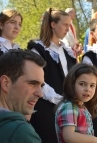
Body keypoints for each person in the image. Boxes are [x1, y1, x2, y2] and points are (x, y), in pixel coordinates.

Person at [27, 8, 77, 143]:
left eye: (69, 25)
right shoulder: (37, 49)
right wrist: (59, 99)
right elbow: (37, 80)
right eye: (65, 24)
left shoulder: (67, 51)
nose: (68, 29)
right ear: (53, 24)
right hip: (46, 108)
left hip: (67, 107)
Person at [55, 63, 97, 143]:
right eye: (82, 84)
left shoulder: (81, 107)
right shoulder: (69, 106)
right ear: (72, 84)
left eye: (92, 85)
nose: (87, 89)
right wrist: (95, 140)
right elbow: (69, 136)